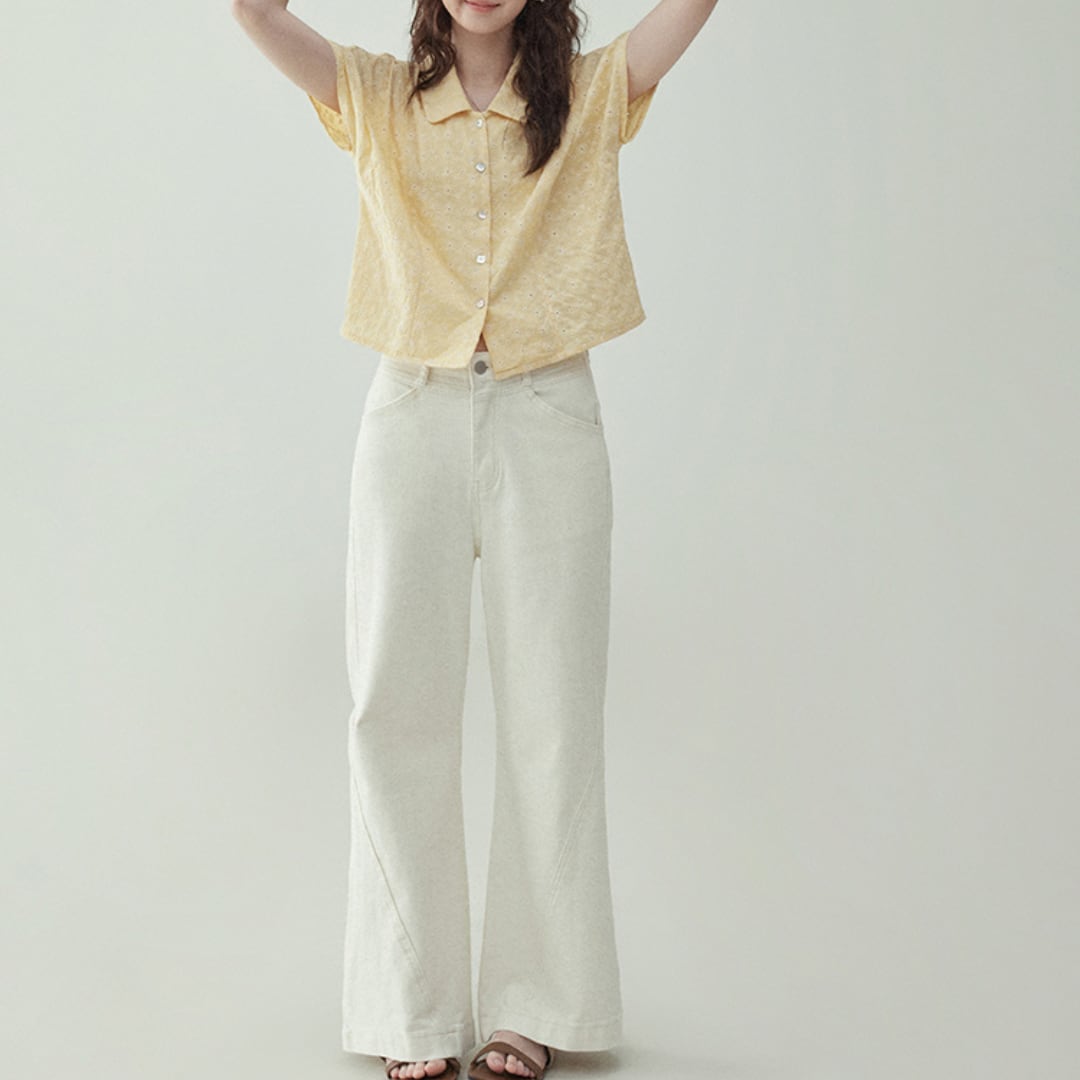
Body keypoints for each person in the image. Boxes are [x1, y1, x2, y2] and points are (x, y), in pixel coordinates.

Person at [231, 2, 718, 1077]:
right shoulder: (373, 95)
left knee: (554, 714)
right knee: (392, 709)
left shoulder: (589, 94)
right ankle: (408, 1016)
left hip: (551, 413)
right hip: (412, 413)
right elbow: (252, 12)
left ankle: (530, 1009)